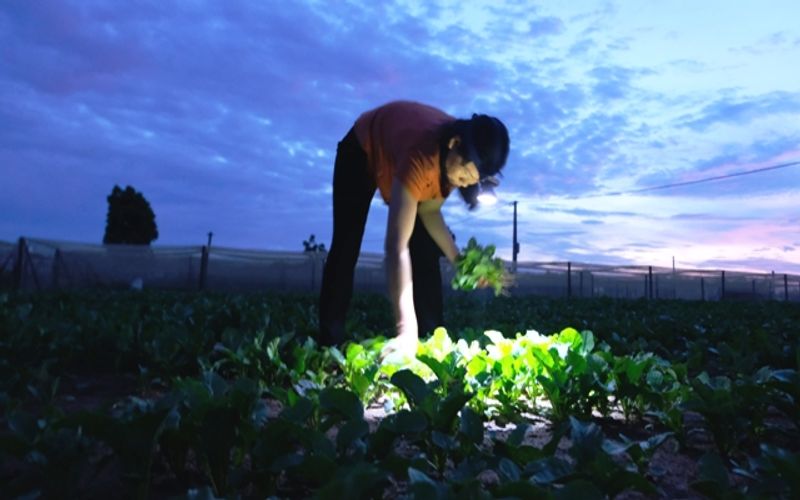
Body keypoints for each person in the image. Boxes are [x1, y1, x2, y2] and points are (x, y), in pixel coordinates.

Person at [318, 100, 510, 352]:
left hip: (404, 150)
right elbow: (396, 247)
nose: (464, 185)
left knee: (426, 248)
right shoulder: (421, 157)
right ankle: (329, 339)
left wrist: (459, 261)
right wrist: (405, 329)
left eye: (471, 181)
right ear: (454, 144)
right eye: (464, 176)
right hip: (361, 149)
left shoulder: (454, 156)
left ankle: (431, 338)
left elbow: (430, 211)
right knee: (347, 243)